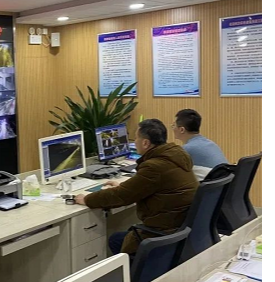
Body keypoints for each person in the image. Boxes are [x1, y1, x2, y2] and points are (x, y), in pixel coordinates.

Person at [76, 119, 199, 256]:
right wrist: (126, 186)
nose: (134, 142)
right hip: (180, 228)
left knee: (115, 240)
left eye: (136, 139)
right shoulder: (175, 155)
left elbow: (120, 196)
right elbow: (150, 186)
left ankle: (136, 270)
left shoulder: (154, 166)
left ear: (145, 143)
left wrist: (87, 199)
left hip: (165, 231)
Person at [173, 109, 229, 180]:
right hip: (226, 184)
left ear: (182, 130)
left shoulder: (187, 149)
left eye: (174, 125)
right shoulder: (210, 143)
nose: (173, 128)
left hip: (211, 185)